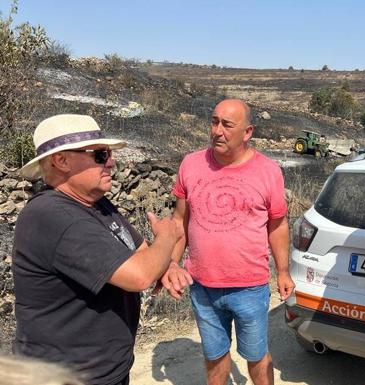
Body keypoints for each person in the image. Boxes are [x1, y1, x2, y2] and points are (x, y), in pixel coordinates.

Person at [12, 114, 181, 385]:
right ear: (62, 160)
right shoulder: (53, 216)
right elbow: (140, 275)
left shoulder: (96, 204)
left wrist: (166, 265)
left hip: (103, 371)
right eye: (101, 155)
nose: (112, 162)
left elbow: (139, 250)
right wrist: (169, 237)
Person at [160, 98, 295, 385]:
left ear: (247, 132)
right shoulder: (191, 164)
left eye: (227, 125)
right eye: (214, 121)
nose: (217, 131)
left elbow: (277, 225)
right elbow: (179, 221)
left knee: (257, 356)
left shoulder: (268, 171)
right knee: (215, 355)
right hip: (202, 287)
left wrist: (283, 271)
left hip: (250, 286)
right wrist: (170, 263)